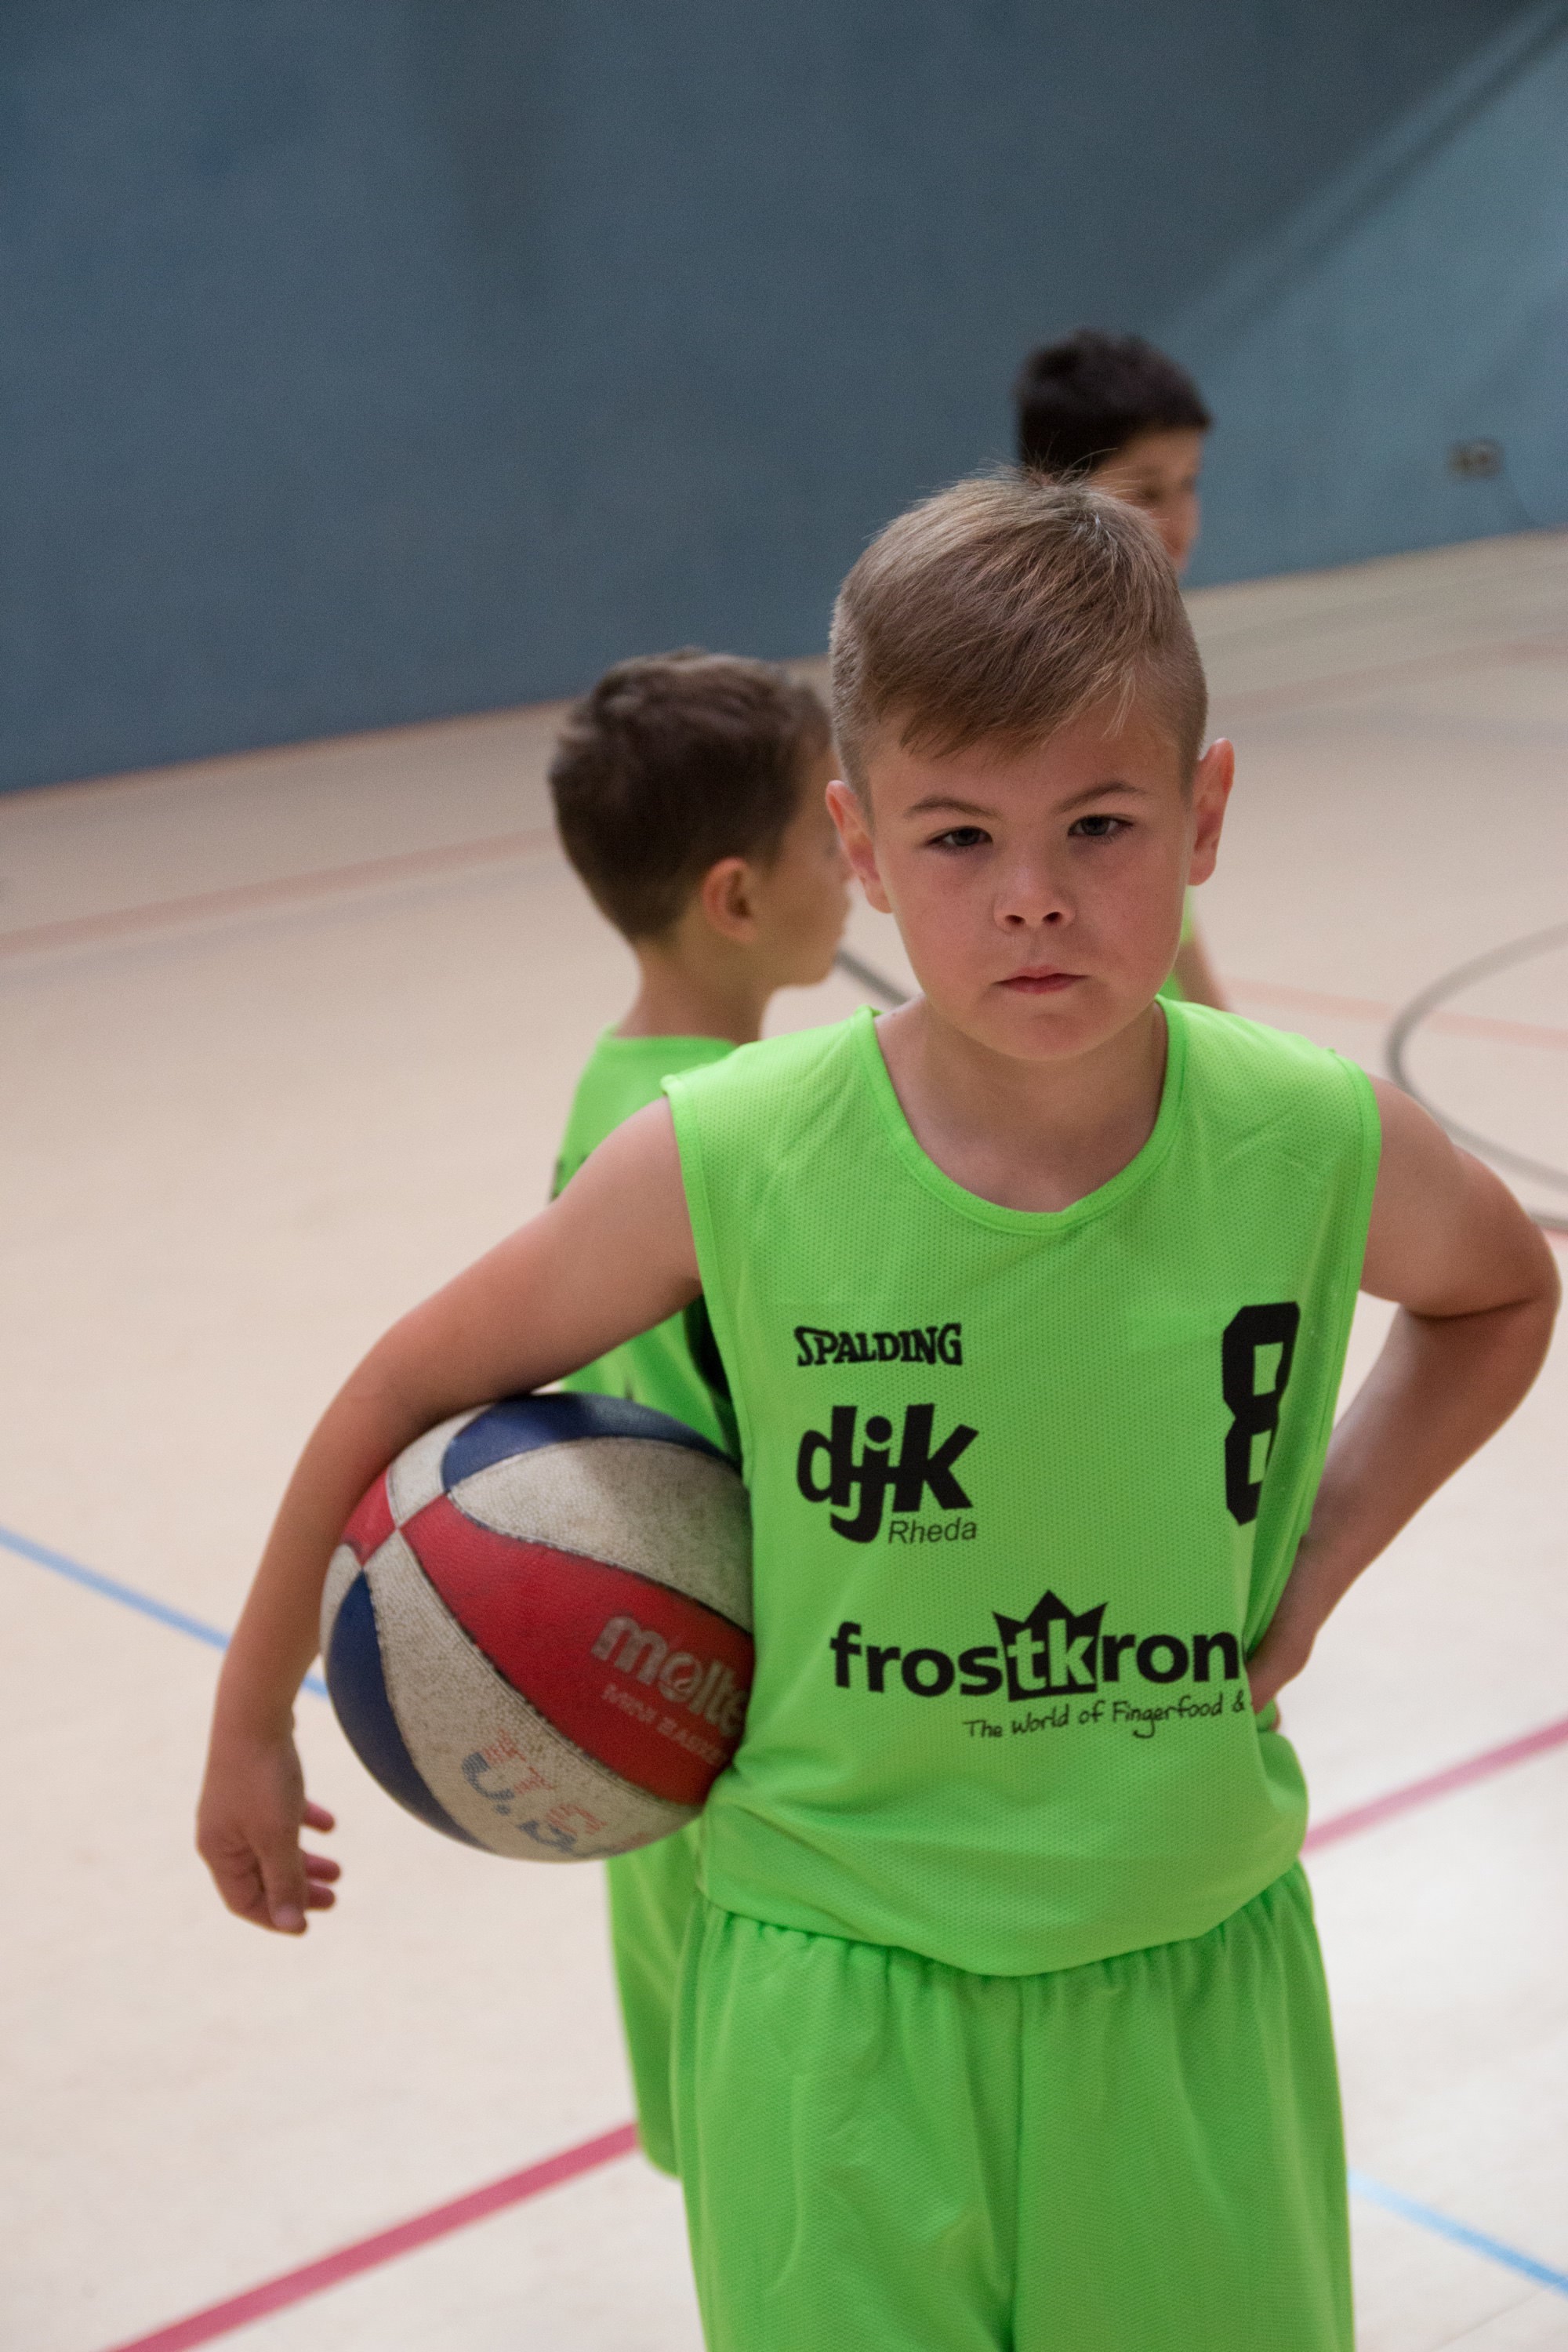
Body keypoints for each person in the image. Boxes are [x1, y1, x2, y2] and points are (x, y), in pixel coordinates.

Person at [196, 475, 1557, 2351]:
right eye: (956, 835)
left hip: (1184, 1972)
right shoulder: (726, 1154)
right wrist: (250, 1710)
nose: (1031, 895)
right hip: (830, 1998)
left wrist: (1312, 1563)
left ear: (1204, 813)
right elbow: (400, 1385)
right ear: (858, 842)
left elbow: (1499, 1294)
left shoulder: (1311, 1136)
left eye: (1098, 824)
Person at [546, 648, 848, 2172]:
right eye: (826, 831)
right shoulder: (713, 1142)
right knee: (785, 2168)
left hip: (654, 1743)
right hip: (734, 1763)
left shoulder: (617, 1090)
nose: (855, 851)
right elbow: (710, 1486)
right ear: (736, 898)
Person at [1015, 326, 1227, 1008]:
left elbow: (1167, 890)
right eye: (1145, 492)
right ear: (1052, 490)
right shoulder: (1043, 661)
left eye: (1188, 484)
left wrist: (1213, 1022)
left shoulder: (1143, 634)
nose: (1178, 520)